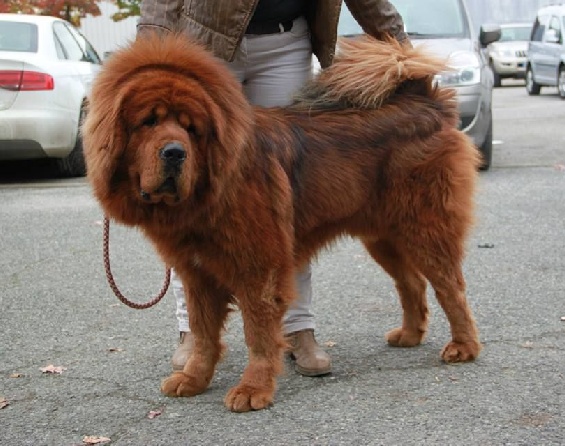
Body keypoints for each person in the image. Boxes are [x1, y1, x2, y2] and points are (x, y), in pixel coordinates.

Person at [137, 0, 408, 377]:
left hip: (285, 43)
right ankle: (194, 333)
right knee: (191, 199)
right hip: (205, 46)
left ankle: (297, 328)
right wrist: (148, 61)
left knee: (291, 196)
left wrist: (402, 51)